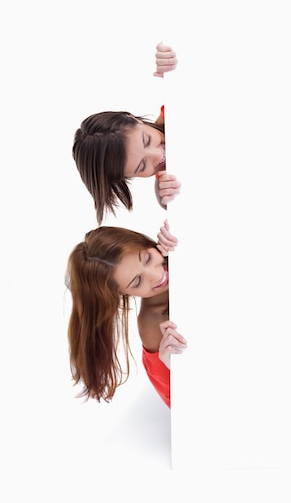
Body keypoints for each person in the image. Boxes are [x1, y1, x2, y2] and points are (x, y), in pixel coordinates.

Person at [66, 219, 187, 408]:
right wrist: (176, 366)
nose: (157, 275)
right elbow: (179, 406)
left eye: (147, 258)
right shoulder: (153, 326)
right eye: (137, 282)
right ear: (123, 293)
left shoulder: (174, 244)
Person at [72, 42, 181, 224]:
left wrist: (175, 70)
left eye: (147, 140)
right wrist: (164, 196)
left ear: (132, 118)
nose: (158, 154)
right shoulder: (165, 173)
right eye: (142, 166)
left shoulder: (172, 111)